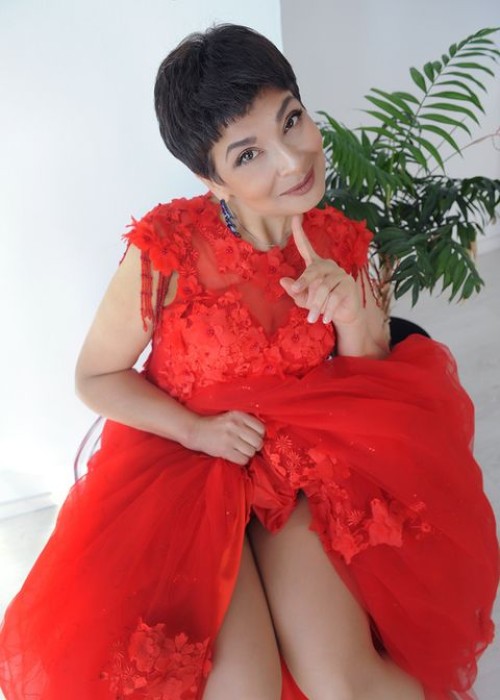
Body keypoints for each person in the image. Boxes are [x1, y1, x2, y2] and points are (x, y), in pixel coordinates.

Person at [0, 23, 498, 700]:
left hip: (302, 471)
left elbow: (370, 386)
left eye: (292, 120)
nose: (292, 161)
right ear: (210, 177)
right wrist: (194, 430)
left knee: (343, 681)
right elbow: (94, 376)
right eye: (250, 153)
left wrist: (353, 315)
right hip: (186, 466)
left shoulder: (343, 242)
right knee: (243, 689)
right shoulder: (168, 249)